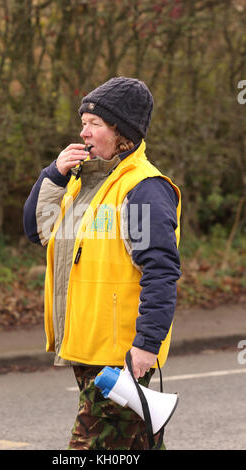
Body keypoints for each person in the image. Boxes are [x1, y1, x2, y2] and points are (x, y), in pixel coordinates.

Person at [23, 76, 181, 450]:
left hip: (118, 358)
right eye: (83, 123)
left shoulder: (141, 189)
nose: (84, 132)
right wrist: (53, 175)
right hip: (87, 348)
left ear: (121, 132)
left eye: (94, 124)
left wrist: (146, 344)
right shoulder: (82, 183)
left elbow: (160, 271)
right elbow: (36, 229)